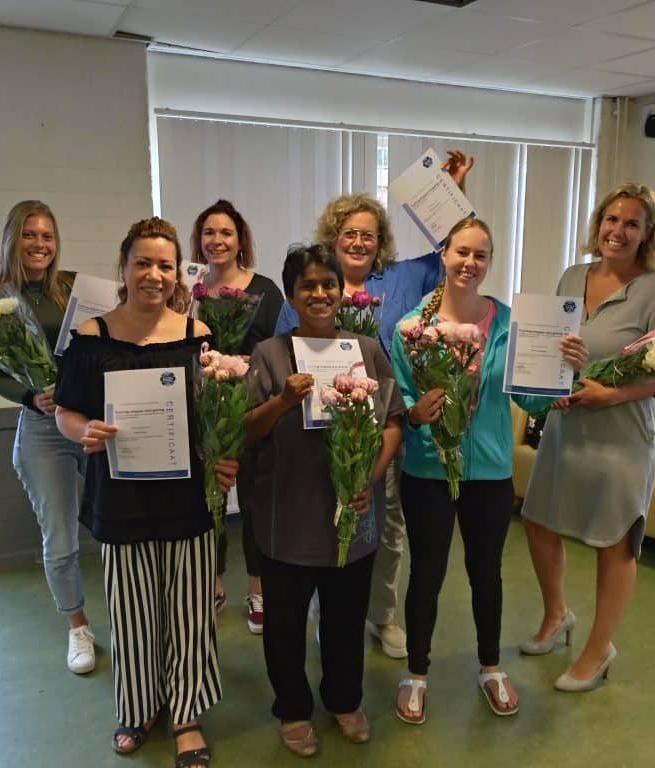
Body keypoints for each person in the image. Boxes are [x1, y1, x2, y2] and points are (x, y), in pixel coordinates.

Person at [274, 150, 474, 659]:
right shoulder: (310, 288)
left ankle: (381, 617)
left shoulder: (401, 281)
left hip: (390, 427)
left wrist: (453, 192)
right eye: (349, 233)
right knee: (327, 521)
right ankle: (328, 616)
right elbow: (284, 352)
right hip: (322, 432)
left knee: (385, 527)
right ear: (332, 238)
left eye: (368, 234)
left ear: (379, 242)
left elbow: (451, 253)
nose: (359, 241)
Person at [55, 217, 238, 764]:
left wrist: (224, 459)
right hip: (120, 496)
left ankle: (185, 713)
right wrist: (82, 430)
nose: (153, 275)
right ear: (123, 266)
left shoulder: (197, 336)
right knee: (132, 611)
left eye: (164, 264)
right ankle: (138, 706)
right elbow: (65, 411)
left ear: (176, 271)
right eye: (143, 263)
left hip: (188, 499)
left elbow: (216, 415)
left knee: (187, 611)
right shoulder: (91, 339)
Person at [390, 217, 555, 724]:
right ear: (443, 254)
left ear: (489, 263)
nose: (470, 263)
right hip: (427, 468)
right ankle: (416, 674)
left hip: (487, 470)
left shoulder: (508, 324)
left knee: (487, 574)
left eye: (481, 255)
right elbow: (403, 397)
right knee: (427, 574)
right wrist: (419, 415)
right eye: (461, 252)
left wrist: (557, 384)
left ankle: (490, 667)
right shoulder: (410, 327)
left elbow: (527, 394)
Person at [519, 182, 655, 693]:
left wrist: (608, 395)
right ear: (598, 224)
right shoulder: (572, 275)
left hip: (621, 437)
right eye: (612, 220)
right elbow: (553, 345)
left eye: (631, 223)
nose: (618, 231)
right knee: (538, 520)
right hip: (566, 428)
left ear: (646, 233)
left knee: (614, 542)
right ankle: (556, 616)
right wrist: (552, 387)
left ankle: (598, 649)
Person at [246, 243, 404, 757]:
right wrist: (284, 401)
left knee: (344, 614)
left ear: (342, 291)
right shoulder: (270, 354)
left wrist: (368, 481)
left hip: (352, 514)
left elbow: (393, 423)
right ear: (291, 294)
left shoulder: (366, 349)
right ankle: (293, 709)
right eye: (307, 285)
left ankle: (343, 699)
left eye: (328, 284)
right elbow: (246, 433)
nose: (319, 293)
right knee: (286, 622)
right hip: (286, 516)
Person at [0, 200, 94, 674]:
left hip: (90, 420)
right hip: (43, 430)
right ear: (12, 239)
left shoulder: (73, 288)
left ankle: (134, 619)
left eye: (47, 236)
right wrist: (32, 397)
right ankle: (78, 628)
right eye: (30, 235)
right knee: (61, 539)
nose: (40, 244)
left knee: (119, 527)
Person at [188, 199, 284, 633]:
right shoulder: (189, 290)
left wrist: (244, 365)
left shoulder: (264, 290)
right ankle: (212, 582)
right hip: (205, 414)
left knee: (253, 503)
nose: (217, 241)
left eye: (226, 233)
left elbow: (281, 352)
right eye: (209, 233)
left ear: (240, 239)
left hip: (254, 412)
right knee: (209, 500)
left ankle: (258, 588)